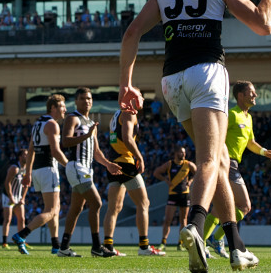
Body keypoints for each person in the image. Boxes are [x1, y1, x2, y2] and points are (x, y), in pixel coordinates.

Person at [119, 0, 271, 273]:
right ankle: (195, 226)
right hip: (206, 72)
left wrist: (125, 85)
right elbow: (265, 24)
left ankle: (237, 247)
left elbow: (131, 33)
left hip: (171, 80)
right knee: (208, 160)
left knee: (219, 158)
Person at [202, 80, 271, 258]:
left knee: (220, 209)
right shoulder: (231, 114)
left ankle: (203, 241)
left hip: (232, 164)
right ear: (240, 95)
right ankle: (215, 239)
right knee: (244, 205)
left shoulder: (248, 117)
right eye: (251, 92)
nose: (255, 95)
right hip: (226, 162)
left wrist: (264, 151)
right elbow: (217, 135)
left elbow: (250, 142)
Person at [58, 87, 123, 258]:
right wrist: (86, 137)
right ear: (76, 101)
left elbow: (96, 152)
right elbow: (65, 142)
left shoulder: (90, 122)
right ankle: (96, 246)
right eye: (82, 98)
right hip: (77, 166)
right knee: (96, 203)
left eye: (89, 98)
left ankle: (64, 247)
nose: (87, 101)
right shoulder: (72, 118)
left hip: (87, 169)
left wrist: (108, 164)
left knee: (76, 208)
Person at [11, 94, 70, 255]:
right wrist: (70, 165)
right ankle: (21, 235)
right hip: (48, 169)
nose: (65, 109)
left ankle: (55, 244)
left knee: (53, 209)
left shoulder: (38, 124)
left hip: (38, 170)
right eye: (63, 106)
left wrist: (28, 173)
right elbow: (55, 151)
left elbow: (31, 150)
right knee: (51, 210)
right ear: (53, 108)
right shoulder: (52, 125)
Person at [101, 109, 163, 257]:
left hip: (113, 162)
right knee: (143, 203)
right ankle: (144, 246)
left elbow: (115, 138)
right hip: (126, 162)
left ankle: (108, 246)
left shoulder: (116, 113)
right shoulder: (129, 113)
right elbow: (127, 138)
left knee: (114, 207)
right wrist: (139, 157)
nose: (142, 100)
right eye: (139, 96)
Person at [153, 146, 197, 252]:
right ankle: (163, 242)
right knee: (168, 219)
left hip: (184, 194)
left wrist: (190, 181)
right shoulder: (169, 164)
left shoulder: (188, 164)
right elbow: (156, 172)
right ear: (176, 153)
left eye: (185, 153)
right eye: (182, 153)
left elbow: (197, 172)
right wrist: (165, 180)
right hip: (173, 194)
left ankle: (181, 243)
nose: (184, 155)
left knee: (183, 220)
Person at [1, 149, 28, 249]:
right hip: (9, 195)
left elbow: (26, 185)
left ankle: (22, 241)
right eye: (25, 155)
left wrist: (23, 198)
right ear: (20, 157)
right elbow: (7, 182)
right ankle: (4, 242)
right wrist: (11, 197)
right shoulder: (14, 168)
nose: (27, 156)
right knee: (8, 219)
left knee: (22, 219)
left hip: (19, 197)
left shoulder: (26, 169)